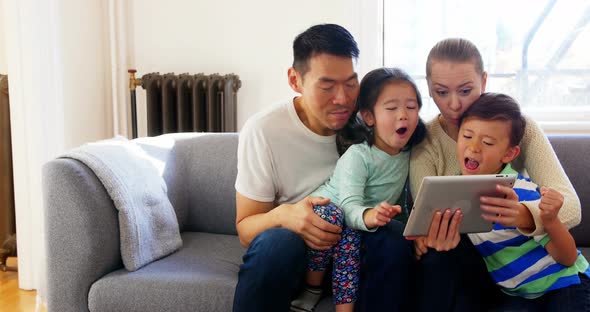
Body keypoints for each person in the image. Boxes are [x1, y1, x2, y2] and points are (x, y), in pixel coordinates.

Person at [233, 24, 415, 312]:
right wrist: (286, 215)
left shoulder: (369, 121)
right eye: (327, 86)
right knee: (277, 243)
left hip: (357, 251)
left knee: (393, 238)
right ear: (296, 80)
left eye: (350, 83)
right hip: (302, 258)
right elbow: (246, 229)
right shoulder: (264, 130)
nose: (342, 99)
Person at [409, 38, 582, 311]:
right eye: (441, 92)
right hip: (478, 258)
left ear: (484, 81)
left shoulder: (518, 128)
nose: (455, 104)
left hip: (525, 241)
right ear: (429, 89)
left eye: (466, 90)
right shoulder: (425, 143)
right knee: (436, 256)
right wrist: (429, 235)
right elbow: (427, 214)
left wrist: (526, 216)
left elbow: (571, 207)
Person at [289, 67, 426, 312]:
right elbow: (349, 205)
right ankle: (312, 288)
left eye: (411, 107)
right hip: (329, 213)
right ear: (369, 117)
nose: (403, 115)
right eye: (392, 108)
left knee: (361, 235)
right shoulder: (359, 156)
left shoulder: (409, 153)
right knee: (342, 224)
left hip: (360, 225)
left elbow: (403, 205)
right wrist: (369, 216)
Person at [458, 92, 590, 310]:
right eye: (467, 136)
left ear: (510, 154)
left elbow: (567, 258)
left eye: (488, 142)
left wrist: (549, 220)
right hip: (520, 294)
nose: (473, 148)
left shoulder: (522, 192)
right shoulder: (455, 193)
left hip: (563, 283)